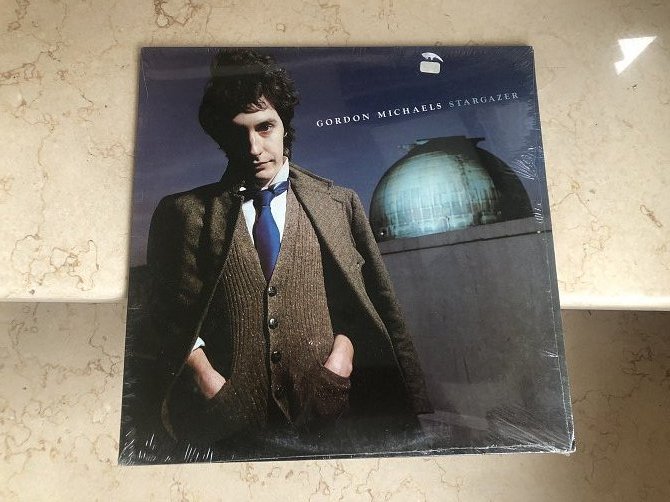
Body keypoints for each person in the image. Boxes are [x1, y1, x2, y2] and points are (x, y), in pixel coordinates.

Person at [146, 48, 432, 452]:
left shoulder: (339, 204)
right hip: (227, 425)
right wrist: (206, 378)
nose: (253, 147)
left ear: (284, 125)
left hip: (330, 415)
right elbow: (165, 313)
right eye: (238, 132)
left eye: (265, 127)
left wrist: (342, 360)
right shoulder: (186, 213)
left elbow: (373, 303)